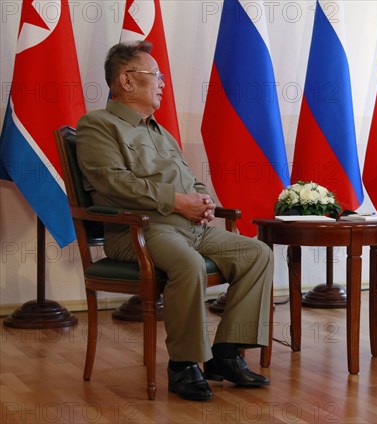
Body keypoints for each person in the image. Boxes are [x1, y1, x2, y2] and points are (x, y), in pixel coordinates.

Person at [76, 41, 274, 401]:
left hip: (189, 227)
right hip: (137, 230)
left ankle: (226, 354)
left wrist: (203, 200)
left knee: (257, 253)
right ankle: (183, 365)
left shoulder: (160, 132)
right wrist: (177, 201)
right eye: (156, 76)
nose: (163, 83)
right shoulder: (97, 125)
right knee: (188, 264)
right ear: (126, 80)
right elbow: (113, 182)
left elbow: (189, 180)